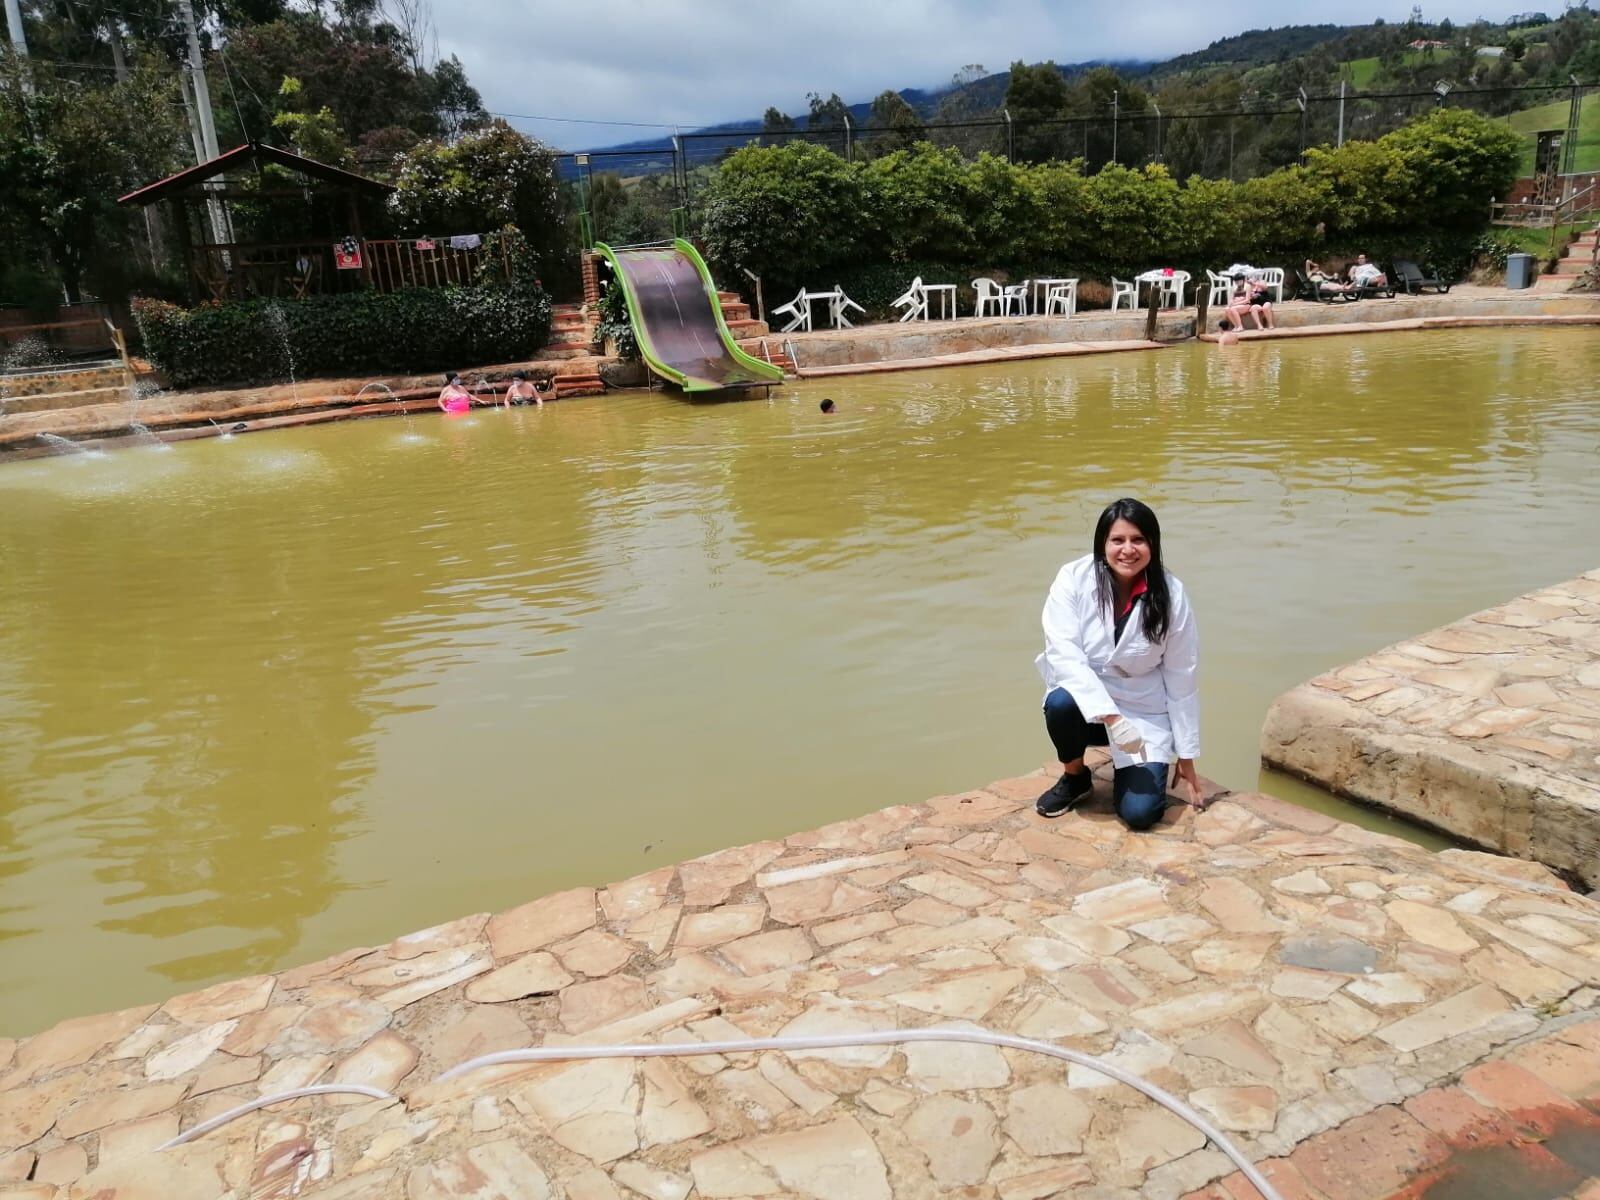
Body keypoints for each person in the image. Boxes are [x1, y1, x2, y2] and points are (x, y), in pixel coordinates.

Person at [1034, 498, 1204, 829]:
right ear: (1103, 544)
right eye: (1118, 540)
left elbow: (1182, 674)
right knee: (1061, 702)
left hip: (1142, 709)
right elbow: (1064, 654)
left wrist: (1186, 754)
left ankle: (1131, 772)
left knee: (1140, 815)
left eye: (1138, 539)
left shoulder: (1172, 594)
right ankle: (1075, 777)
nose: (1128, 550)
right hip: (1089, 706)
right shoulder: (1073, 579)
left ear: (1153, 544)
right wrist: (1112, 718)